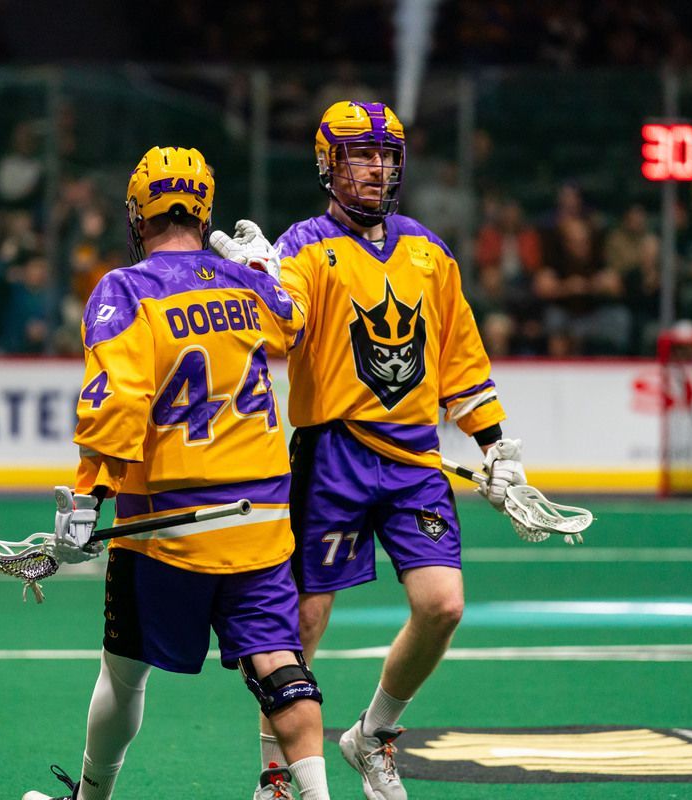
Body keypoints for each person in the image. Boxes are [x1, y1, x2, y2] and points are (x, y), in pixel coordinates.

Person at [214, 101, 527, 800]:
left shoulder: (429, 253)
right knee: (303, 621)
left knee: (443, 606)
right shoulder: (303, 247)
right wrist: (260, 276)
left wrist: (497, 449)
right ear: (328, 165)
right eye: (361, 155)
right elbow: (280, 331)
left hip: (414, 463)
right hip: (333, 457)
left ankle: (371, 735)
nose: (377, 168)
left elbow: (462, 363)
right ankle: (276, 776)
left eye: (386, 155)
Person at [22, 146, 331, 800]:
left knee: (123, 674)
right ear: (204, 212)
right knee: (281, 669)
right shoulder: (245, 283)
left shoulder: (126, 289)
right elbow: (295, 324)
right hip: (261, 524)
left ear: (139, 216)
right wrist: (268, 271)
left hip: (165, 530)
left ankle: (91, 798)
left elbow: (119, 403)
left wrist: (87, 500)